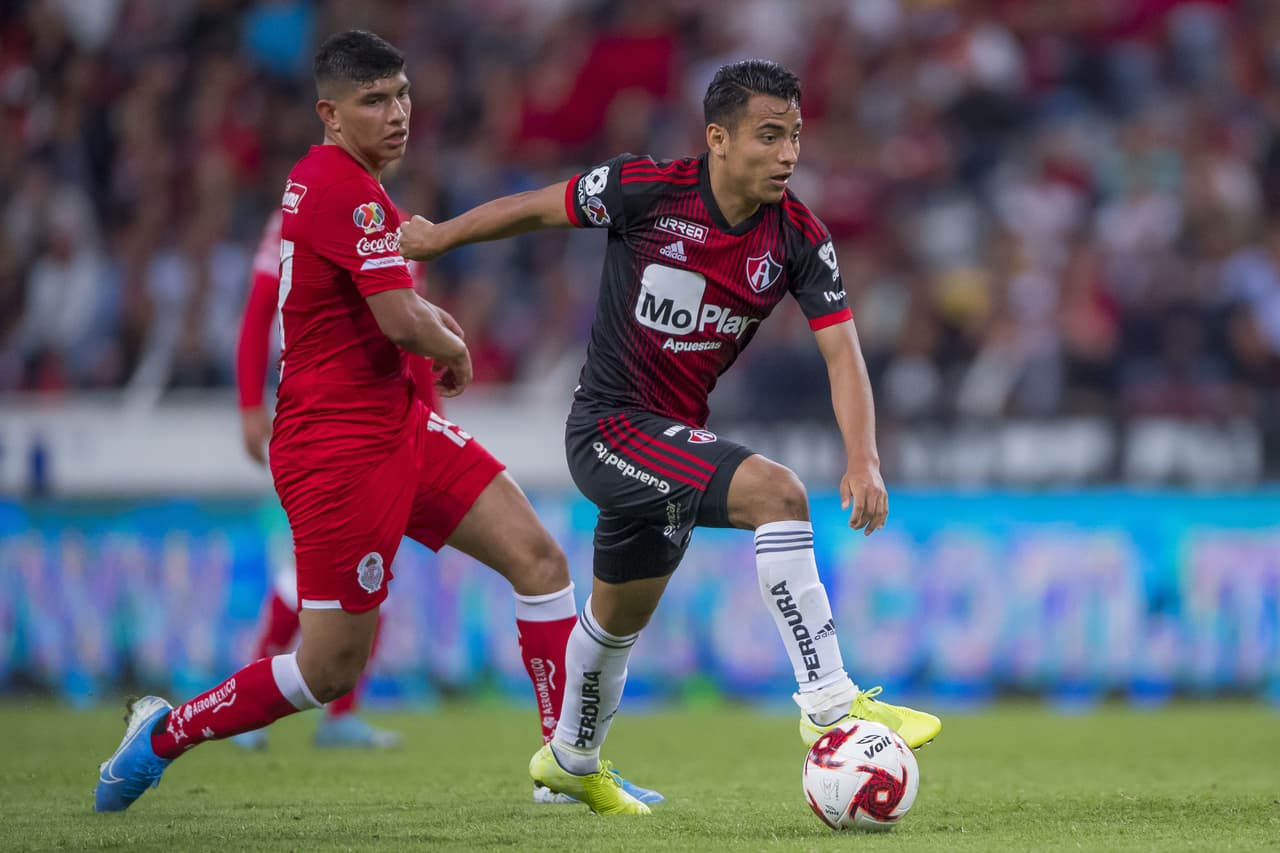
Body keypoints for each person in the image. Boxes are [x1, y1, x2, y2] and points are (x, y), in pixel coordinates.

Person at [94, 29, 659, 813]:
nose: (397, 113)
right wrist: (452, 343)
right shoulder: (341, 189)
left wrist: (436, 343)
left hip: (399, 424)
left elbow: (392, 307)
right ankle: (163, 734)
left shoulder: (352, 187)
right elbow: (397, 316)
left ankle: (566, 767)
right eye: (373, 101)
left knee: (539, 559)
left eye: (401, 95)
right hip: (336, 448)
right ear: (329, 113)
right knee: (329, 669)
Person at [399, 58, 942, 816]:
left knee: (617, 618)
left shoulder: (798, 236)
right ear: (718, 138)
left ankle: (569, 760)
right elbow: (533, 209)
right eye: (769, 136)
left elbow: (843, 352)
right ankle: (830, 703)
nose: (788, 153)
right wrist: (436, 239)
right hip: (608, 426)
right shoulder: (647, 189)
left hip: (671, 441)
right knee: (779, 494)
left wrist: (865, 458)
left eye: (795, 136)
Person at [230, 207, 432, 750]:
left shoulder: (403, 228)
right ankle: (250, 713)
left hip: (386, 432)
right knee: (307, 576)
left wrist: (430, 425)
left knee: (372, 574)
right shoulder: (297, 220)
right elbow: (259, 311)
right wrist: (249, 403)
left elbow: (415, 336)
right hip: (321, 426)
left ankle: (339, 716)